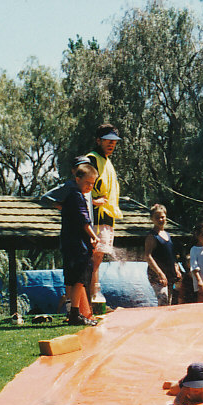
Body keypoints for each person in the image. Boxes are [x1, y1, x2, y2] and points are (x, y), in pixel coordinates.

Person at [60, 162, 100, 326]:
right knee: (79, 279)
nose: (90, 186)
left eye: (92, 184)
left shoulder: (71, 195)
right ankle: (75, 314)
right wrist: (94, 236)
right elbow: (84, 221)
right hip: (77, 246)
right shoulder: (77, 196)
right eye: (87, 183)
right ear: (77, 179)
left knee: (74, 279)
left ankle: (74, 312)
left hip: (70, 243)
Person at [87, 124, 123, 298]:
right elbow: (79, 186)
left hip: (107, 217)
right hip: (95, 217)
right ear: (98, 140)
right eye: (108, 141)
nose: (111, 144)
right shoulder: (91, 159)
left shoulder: (108, 162)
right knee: (92, 259)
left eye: (114, 142)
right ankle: (90, 300)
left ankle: (94, 298)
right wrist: (93, 201)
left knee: (98, 259)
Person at [144, 203, 181, 306]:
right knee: (163, 300)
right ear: (152, 219)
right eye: (157, 218)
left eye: (162, 217)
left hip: (169, 272)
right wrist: (160, 273)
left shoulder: (167, 235)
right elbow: (148, 256)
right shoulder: (152, 236)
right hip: (157, 274)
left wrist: (176, 268)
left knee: (170, 302)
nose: (160, 220)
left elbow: (172, 255)